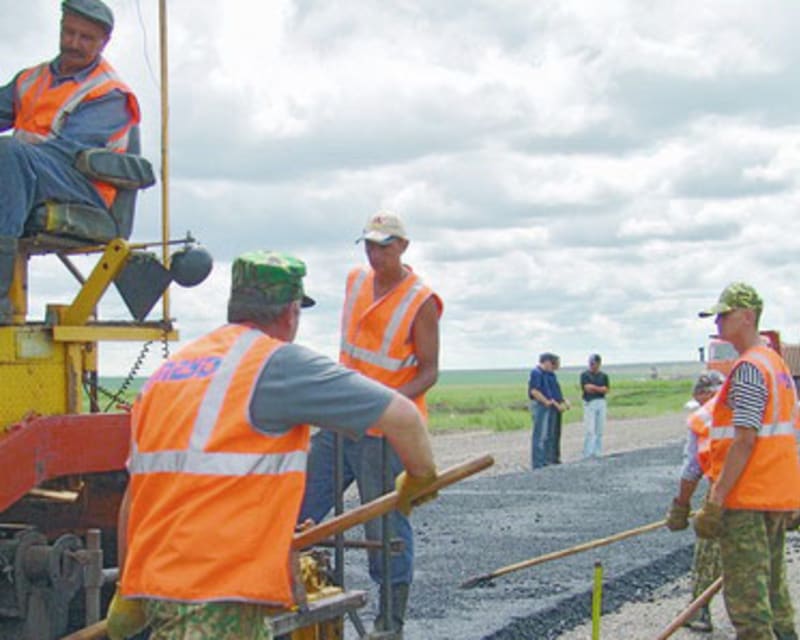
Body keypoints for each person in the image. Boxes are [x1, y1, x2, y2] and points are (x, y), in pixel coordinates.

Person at [108, 250, 438, 640]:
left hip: (159, 589)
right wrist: (420, 478)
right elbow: (403, 417)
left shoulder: (168, 374)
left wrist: (127, 587)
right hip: (219, 599)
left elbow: (136, 493)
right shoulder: (275, 364)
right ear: (291, 312)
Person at [300, 211, 442, 637]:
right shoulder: (355, 281)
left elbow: (429, 371)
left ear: (403, 246)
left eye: (384, 245)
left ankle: (389, 622)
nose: (375, 254)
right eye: (369, 245)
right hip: (341, 421)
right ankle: (296, 590)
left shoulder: (421, 301)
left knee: (383, 526)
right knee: (299, 506)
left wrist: (387, 405)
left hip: (385, 432)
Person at [0, 0, 140, 324]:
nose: (73, 43)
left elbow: (67, 154)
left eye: (85, 38)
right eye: (69, 32)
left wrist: (17, 155)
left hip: (81, 186)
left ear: (104, 42)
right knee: (10, 157)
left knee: (9, 154)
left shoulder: (109, 94)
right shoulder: (31, 79)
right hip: (26, 170)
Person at [694, 282, 800, 639]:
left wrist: (716, 500)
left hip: (747, 498)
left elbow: (744, 439)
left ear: (747, 317)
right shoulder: (775, 364)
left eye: (724, 315)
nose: (718, 323)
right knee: (774, 593)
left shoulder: (751, 368)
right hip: (772, 495)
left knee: (748, 603)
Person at [665, 370, 725, 633]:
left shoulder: (704, 417)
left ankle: (699, 611)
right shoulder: (755, 402)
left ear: (705, 393)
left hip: (723, 492)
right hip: (766, 491)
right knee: (760, 556)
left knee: (708, 546)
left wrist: (681, 505)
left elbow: (692, 468)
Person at [528, 352, 559, 469]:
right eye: (552, 363)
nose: (553, 366)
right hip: (539, 405)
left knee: (545, 434)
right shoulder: (536, 373)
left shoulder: (545, 374)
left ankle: (545, 460)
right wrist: (546, 401)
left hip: (546, 405)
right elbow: (534, 391)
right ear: (546, 362)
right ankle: (537, 463)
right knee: (539, 435)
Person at [580, 353, 609, 459]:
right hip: (590, 402)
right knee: (590, 429)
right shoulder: (585, 375)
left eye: (594, 363)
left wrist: (594, 388)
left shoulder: (604, 376)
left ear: (599, 364)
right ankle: (588, 453)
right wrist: (599, 389)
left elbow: (606, 389)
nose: (592, 365)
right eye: (590, 363)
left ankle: (597, 452)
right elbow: (587, 388)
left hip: (601, 402)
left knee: (599, 429)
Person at [544, 354, 570, 465]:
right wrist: (557, 405)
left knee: (557, 433)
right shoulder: (545, 376)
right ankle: (549, 458)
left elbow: (557, 392)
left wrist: (564, 401)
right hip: (551, 407)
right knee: (550, 433)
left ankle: (555, 457)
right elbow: (548, 394)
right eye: (558, 362)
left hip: (558, 405)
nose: (559, 365)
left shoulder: (553, 375)